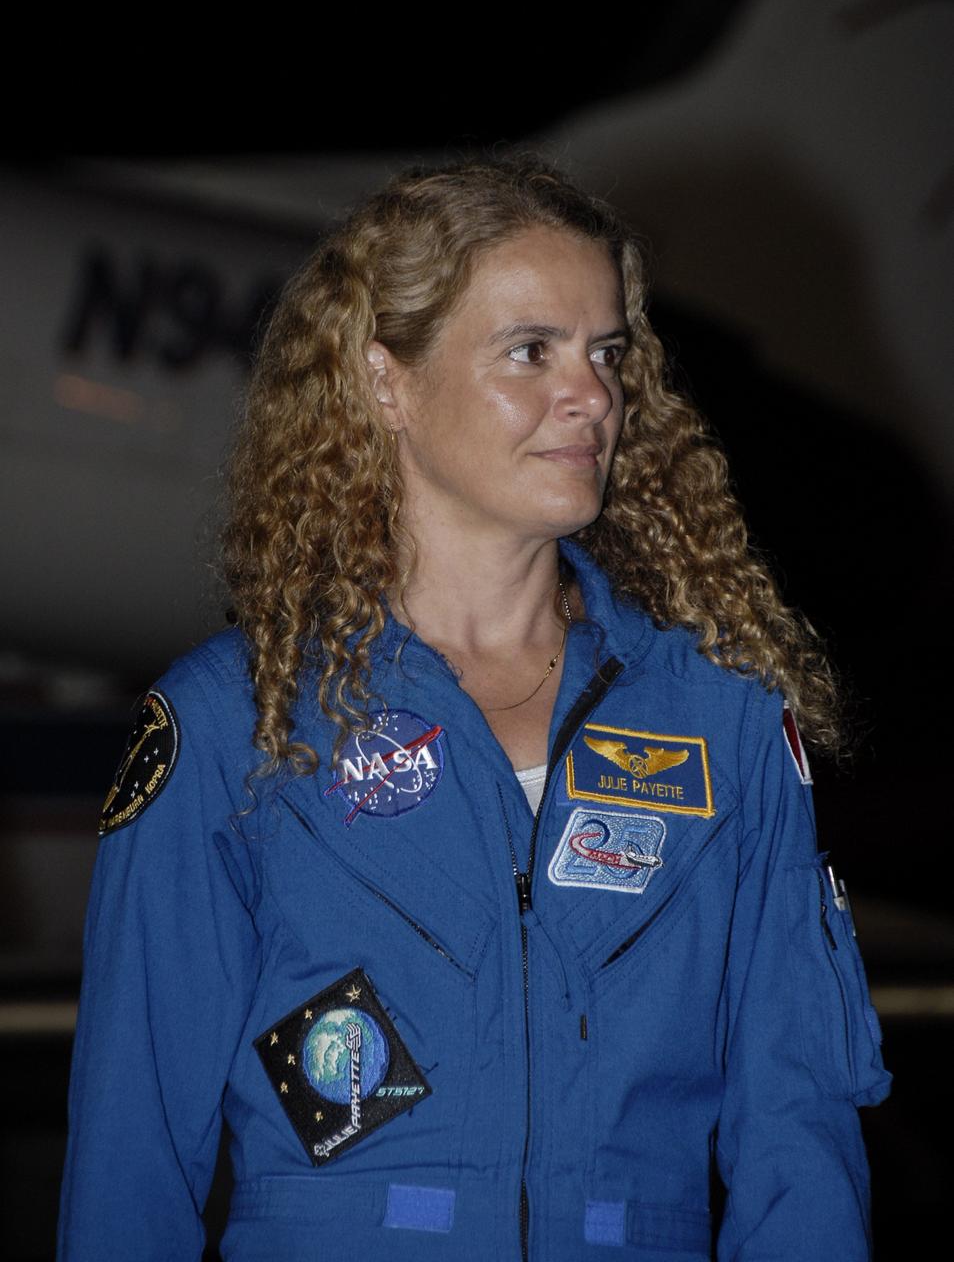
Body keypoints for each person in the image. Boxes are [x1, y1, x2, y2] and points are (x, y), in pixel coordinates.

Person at [58, 157, 890, 1261]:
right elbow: (130, 1163)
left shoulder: (720, 713)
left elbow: (799, 1136)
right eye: (530, 350)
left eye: (606, 353)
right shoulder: (236, 723)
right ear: (386, 382)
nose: (592, 395)